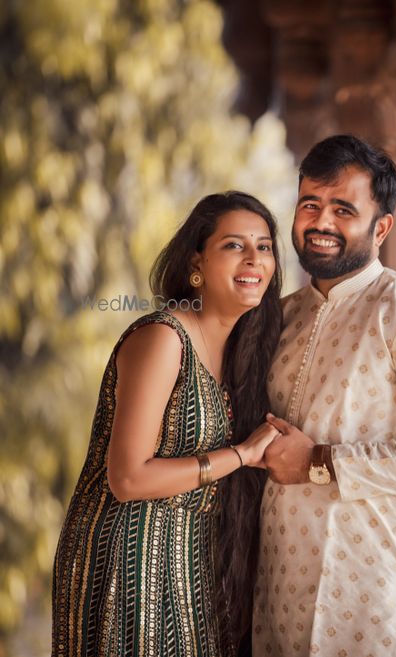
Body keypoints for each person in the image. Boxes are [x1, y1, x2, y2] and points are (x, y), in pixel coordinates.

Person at [255, 134, 396, 657]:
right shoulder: (279, 318)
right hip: (278, 598)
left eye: (343, 209)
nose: (322, 223)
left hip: (373, 601)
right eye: (310, 204)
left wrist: (319, 462)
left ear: (381, 227)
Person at [52, 191, 285, 657]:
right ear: (196, 262)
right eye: (234, 245)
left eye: (263, 246)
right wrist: (240, 455)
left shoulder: (243, 351)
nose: (254, 259)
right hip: (126, 557)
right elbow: (128, 477)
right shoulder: (163, 338)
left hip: (190, 560)